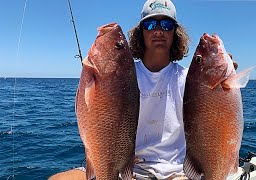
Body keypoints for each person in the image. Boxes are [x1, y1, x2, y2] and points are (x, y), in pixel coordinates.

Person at [49, 0, 237, 179]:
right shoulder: (123, 73)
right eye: (150, 25)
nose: (158, 31)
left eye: (166, 25)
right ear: (140, 32)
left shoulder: (190, 79)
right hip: (124, 165)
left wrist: (222, 81)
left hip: (175, 170)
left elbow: (214, 119)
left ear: (175, 32)